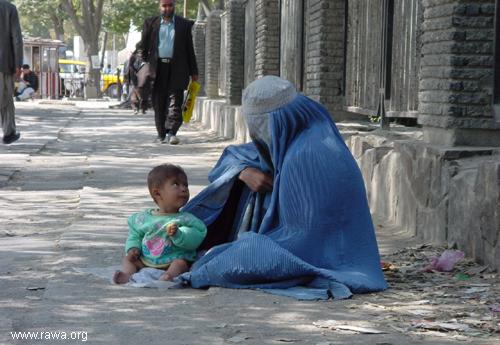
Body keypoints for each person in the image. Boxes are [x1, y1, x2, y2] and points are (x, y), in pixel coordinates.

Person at [182, 76, 388, 300]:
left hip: (318, 253)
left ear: (272, 122)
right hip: (300, 242)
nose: (256, 135)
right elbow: (235, 156)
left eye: (258, 127)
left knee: (216, 265)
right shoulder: (297, 134)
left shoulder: (309, 155)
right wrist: (244, 172)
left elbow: (301, 239)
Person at [113, 164, 207, 284]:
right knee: (128, 259)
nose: (183, 189)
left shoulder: (186, 219)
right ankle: (127, 276)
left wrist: (179, 234)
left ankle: (168, 277)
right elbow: (135, 235)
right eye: (176, 184)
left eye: (185, 185)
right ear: (157, 194)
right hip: (146, 261)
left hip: (172, 261)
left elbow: (196, 237)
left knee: (181, 264)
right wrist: (133, 248)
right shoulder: (144, 218)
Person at [136, 0, 198, 145]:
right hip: (157, 69)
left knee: (176, 101)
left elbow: (190, 50)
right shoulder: (151, 24)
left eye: (170, 5)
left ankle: (172, 132)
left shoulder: (184, 25)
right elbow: (143, 47)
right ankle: (161, 133)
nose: (167, 8)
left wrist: (194, 71)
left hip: (178, 68)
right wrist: (144, 63)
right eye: (164, 6)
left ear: (174, 6)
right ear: (160, 7)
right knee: (159, 102)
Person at [0, 0, 23, 144]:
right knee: (6, 98)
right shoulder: (9, 8)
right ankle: (8, 133)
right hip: (4, 62)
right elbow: (16, 38)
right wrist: (18, 64)